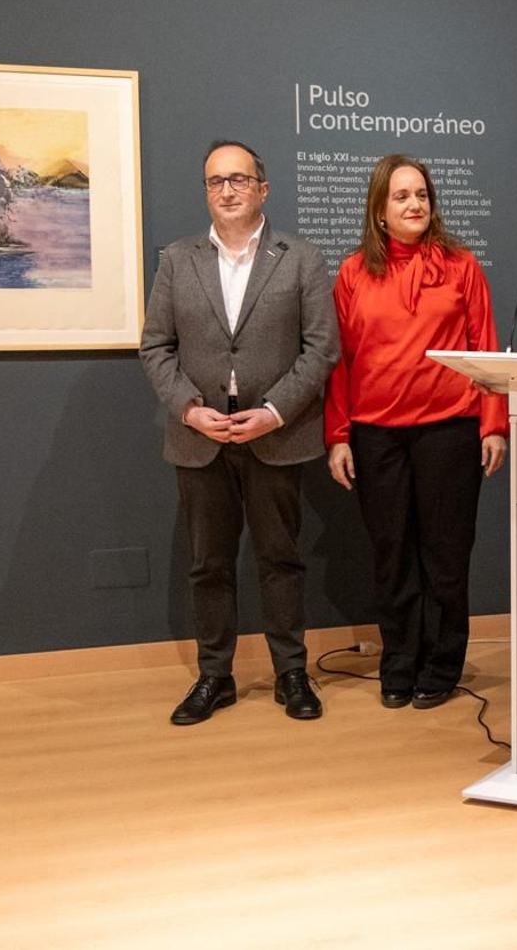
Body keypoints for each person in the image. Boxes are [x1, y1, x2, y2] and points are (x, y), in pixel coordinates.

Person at [140, 140, 340, 725]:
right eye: (215, 181)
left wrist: (274, 411)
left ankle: (291, 672)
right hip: (201, 439)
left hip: (275, 435)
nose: (226, 190)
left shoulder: (300, 258)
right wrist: (188, 409)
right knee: (209, 563)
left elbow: (321, 347)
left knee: (281, 558)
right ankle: (215, 676)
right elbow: (155, 346)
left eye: (238, 179)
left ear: (262, 188)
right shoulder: (177, 259)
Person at [325, 155, 508, 710]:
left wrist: (493, 424)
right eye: (401, 196)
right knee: (393, 556)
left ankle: (443, 664)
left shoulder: (461, 267)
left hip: (450, 431)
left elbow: (485, 348)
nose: (414, 205)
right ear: (380, 211)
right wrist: (337, 435)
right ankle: (398, 663)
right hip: (377, 435)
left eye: (421, 195)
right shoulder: (353, 273)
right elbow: (340, 362)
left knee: (447, 556)